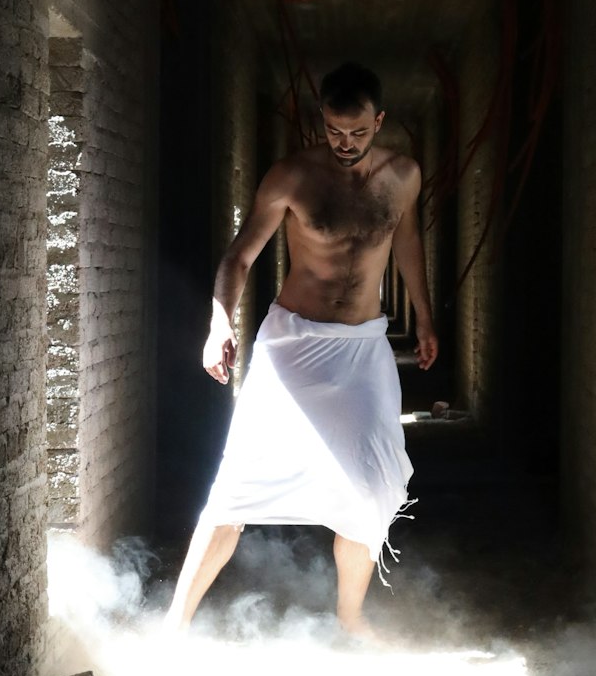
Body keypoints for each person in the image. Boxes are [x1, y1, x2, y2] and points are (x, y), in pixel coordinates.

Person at [165, 61, 438, 638]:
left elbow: (408, 242)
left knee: (375, 481)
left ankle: (350, 619)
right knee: (235, 487)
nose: (346, 144)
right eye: (336, 132)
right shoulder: (290, 177)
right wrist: (219, 323)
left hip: (363, 348)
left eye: (359, 133)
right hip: (292, 345)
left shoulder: (405, 176)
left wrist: (426, 318)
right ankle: (173, 626)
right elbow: (238, 257)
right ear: (322, 122)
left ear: (379, 122)